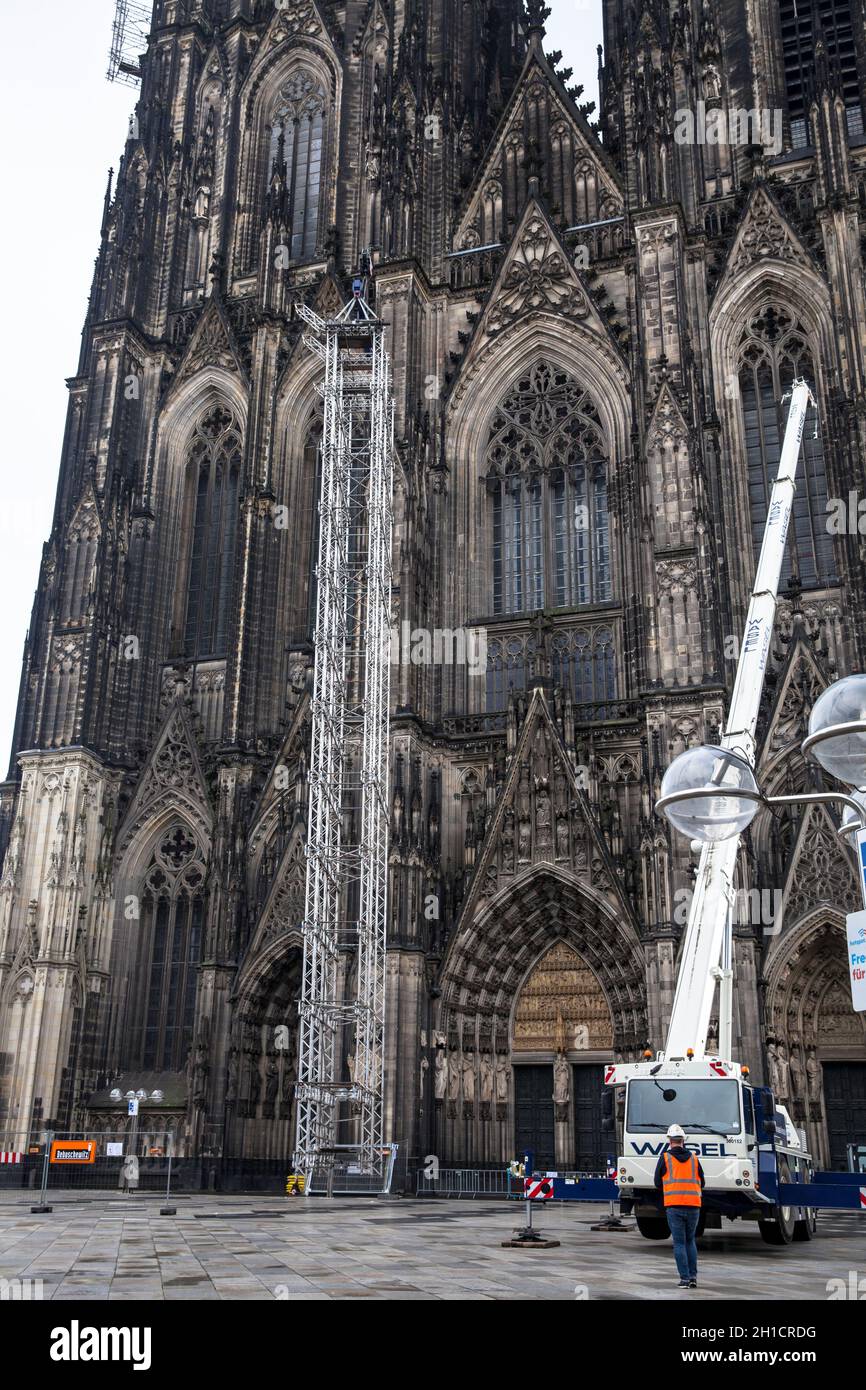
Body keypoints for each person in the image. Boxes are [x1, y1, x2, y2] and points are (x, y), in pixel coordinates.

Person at [654, 1123, 705, 1289]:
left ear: (670, 1141)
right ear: (683, 1140)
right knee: (690, 1241)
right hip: (693, 1205)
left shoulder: (665, 1157)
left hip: (674, 1206)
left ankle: (684, 1279)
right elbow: (702, 1182)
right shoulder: (694, 1158)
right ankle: (693, 1278)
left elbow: (657, 1182)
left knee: (679, 1243)